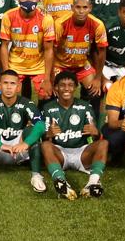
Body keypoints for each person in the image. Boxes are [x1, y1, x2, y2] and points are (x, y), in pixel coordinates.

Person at [39, 71, 108, 200]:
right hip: (60, 154)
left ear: (75, 87)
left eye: (70, 85)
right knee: (45, 145)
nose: (66, 88)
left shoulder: (85, 107)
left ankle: (92, 182)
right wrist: (49, 134)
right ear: (56, 88)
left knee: (104, 143)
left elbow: (95, 139)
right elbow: (44, 140)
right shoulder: (48, 108)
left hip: (82, 153)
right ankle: (60, 181)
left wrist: (96, 133)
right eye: (62, 85)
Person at [0, 68, 46, 192]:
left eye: (12, 84)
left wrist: (25, 143)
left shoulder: (27, 103)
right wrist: (0, 145)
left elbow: (40, 125)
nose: (8, 87)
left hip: (20, 150)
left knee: (31, 130)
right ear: (0, 85)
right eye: (5, 83)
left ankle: (36, 176)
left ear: (18, 87)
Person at [0, 0, 55, 99]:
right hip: (15, 64)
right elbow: (4, 46)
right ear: (19, 0)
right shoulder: (8, 16)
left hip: (38, 65)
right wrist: (6, 73)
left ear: (38, 0)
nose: (28, 1)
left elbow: (49, 50)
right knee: (9, 95)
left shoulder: (46, 18)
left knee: (46, 95)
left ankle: (40, 116)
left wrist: (48, 78)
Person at [52, 0, 108, 99]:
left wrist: (98, 77)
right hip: (61, 65)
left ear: (90, 8)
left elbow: (102, 52)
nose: (81, 11)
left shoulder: (98, 25)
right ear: (72, 7)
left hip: (81, 65)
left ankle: (88, 114)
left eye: (85, 7)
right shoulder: (60, 23)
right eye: (78, 7)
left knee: (95, 92)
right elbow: (52, 50)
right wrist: (51, 76)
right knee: (52, 92)